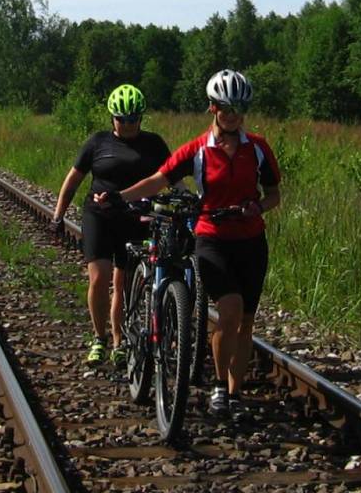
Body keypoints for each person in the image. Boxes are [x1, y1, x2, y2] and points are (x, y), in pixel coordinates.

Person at [98, 69, 281, 418]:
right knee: (229, 310)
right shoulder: (198, 150)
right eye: (226, 108)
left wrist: (259, 206)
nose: (233, 115)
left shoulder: (257, 148)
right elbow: (159, 179)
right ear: (213, 108)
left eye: (240, 108)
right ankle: (218, 387)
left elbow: (274, 194)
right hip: (212, 238)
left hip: (251, 240)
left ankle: (235, 393)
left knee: (246, 320)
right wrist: (119, 197)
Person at [51, 84, 171, 367]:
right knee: (99, 278)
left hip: (136, 218)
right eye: (121, 119)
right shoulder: (97, 142)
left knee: (124, 284)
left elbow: (172, 176)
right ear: (112, 118)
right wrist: (58, 216)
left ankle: (119, 341)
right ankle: (99, 337)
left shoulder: (154, 144)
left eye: (133, 119)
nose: (127, 125)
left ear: (141, 118)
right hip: (100, 217)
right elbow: (73, 181)